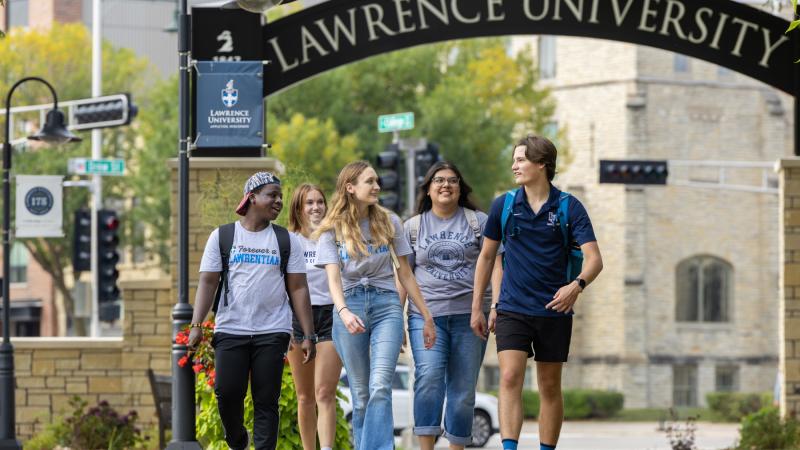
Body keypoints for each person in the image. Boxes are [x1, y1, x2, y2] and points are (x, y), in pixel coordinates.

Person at [471, 136, 603, 450]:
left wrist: (577, 285)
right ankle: (509, 447)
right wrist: (480, 304)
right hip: (513, 308)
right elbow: (487, 257)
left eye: (520, 160)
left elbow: (595, 259)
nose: (514, 166)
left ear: (541, 163)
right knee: (509, 378)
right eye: (514, 160)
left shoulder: (569, 207)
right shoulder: (503, 205)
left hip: (554, 310)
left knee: (549, 386)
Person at [313, 160, 437, 450]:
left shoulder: (390, 221)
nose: (377, 187)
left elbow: (404, 272)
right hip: (350, 304)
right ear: (350, 187)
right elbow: (333, 279)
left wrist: (426, 316)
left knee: (380, 385)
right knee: (360, 394)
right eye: (370, 181)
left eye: (377, 181)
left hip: (386, 306)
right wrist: (343, 312)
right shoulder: (331, 229)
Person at [188, 171, 317, 450]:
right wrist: (196, 325)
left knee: (266, 399)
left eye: (280, 196)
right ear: (252, 197)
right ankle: (237, 440)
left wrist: (308, 333)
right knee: (227, 393)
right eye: (272, 195)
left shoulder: (286, 241)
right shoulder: (223, 236)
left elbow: (298, 288)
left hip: (272, 330)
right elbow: (208, 282)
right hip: (231, 327)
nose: (279, 201)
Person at [398, 161, 503, 450]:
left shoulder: (478, 222)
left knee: (463, 391)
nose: (446, 185)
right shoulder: (413, 227)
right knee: (429, 378)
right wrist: (397, 321)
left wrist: (494, 306)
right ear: (428, 189)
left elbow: (495, 264)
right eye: (439, 180)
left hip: (471, 318)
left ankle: (456, 447)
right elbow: (403, 277)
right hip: (425, 317)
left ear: (460, 188)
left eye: (452, 180)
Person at [286, 183, 342, 450]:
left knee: (324, 391)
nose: (316, 207)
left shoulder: (334, 237)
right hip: (298, 318)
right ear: (298, 207)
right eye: (309, 202)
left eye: (320, 201)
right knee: (305, 396)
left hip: (331, 315)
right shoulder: (288, 241)